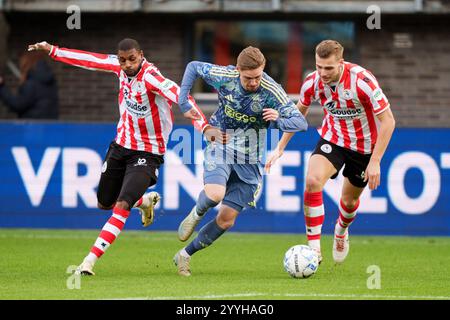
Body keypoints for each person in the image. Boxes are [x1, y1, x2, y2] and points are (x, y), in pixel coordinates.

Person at [28, 39, 207, 275]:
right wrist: (53, 50)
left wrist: (203, 126)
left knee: (121, 205)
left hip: (148, 152)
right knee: (104, 203)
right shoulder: (118, 67)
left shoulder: (151, 77)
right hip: (121, 146)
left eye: (132, 59)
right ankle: (144, 201)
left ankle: (88, 261)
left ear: (141, 55)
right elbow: (89, 60)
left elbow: (181, 97)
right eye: (122, 60)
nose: (127, 64)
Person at [173, 46, 308, 276]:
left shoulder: (272, 91)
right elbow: (193, 66)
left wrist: (278, 120)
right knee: (214, 195)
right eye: (248, 78)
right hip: (221, 145)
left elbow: (301, 123)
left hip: (251, 160)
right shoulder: (225, 76)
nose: (254, 82)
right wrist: (183, 101)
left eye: (258, 76)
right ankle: (196, 213)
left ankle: (184, 255)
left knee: (226, 220)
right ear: (237, 71)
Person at [266, 40, 396, 264]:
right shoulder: (312, 83)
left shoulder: (363, 81)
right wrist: (280, 147)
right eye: (318, 66)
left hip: (364, 148)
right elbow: (299, 114)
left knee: (348, 202)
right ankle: (314, 251)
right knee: (312, 181)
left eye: (328, 68)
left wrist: (375, 161)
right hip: (333, 139)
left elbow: (388, 121)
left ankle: (341, 230)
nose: (323, 73)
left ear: (341, 63)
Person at [0, 51, 58, 119]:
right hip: (49, 126)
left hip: (32, 126)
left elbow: (18, 105)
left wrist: (2, 87)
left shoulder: (32, 83)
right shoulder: (49, 80)